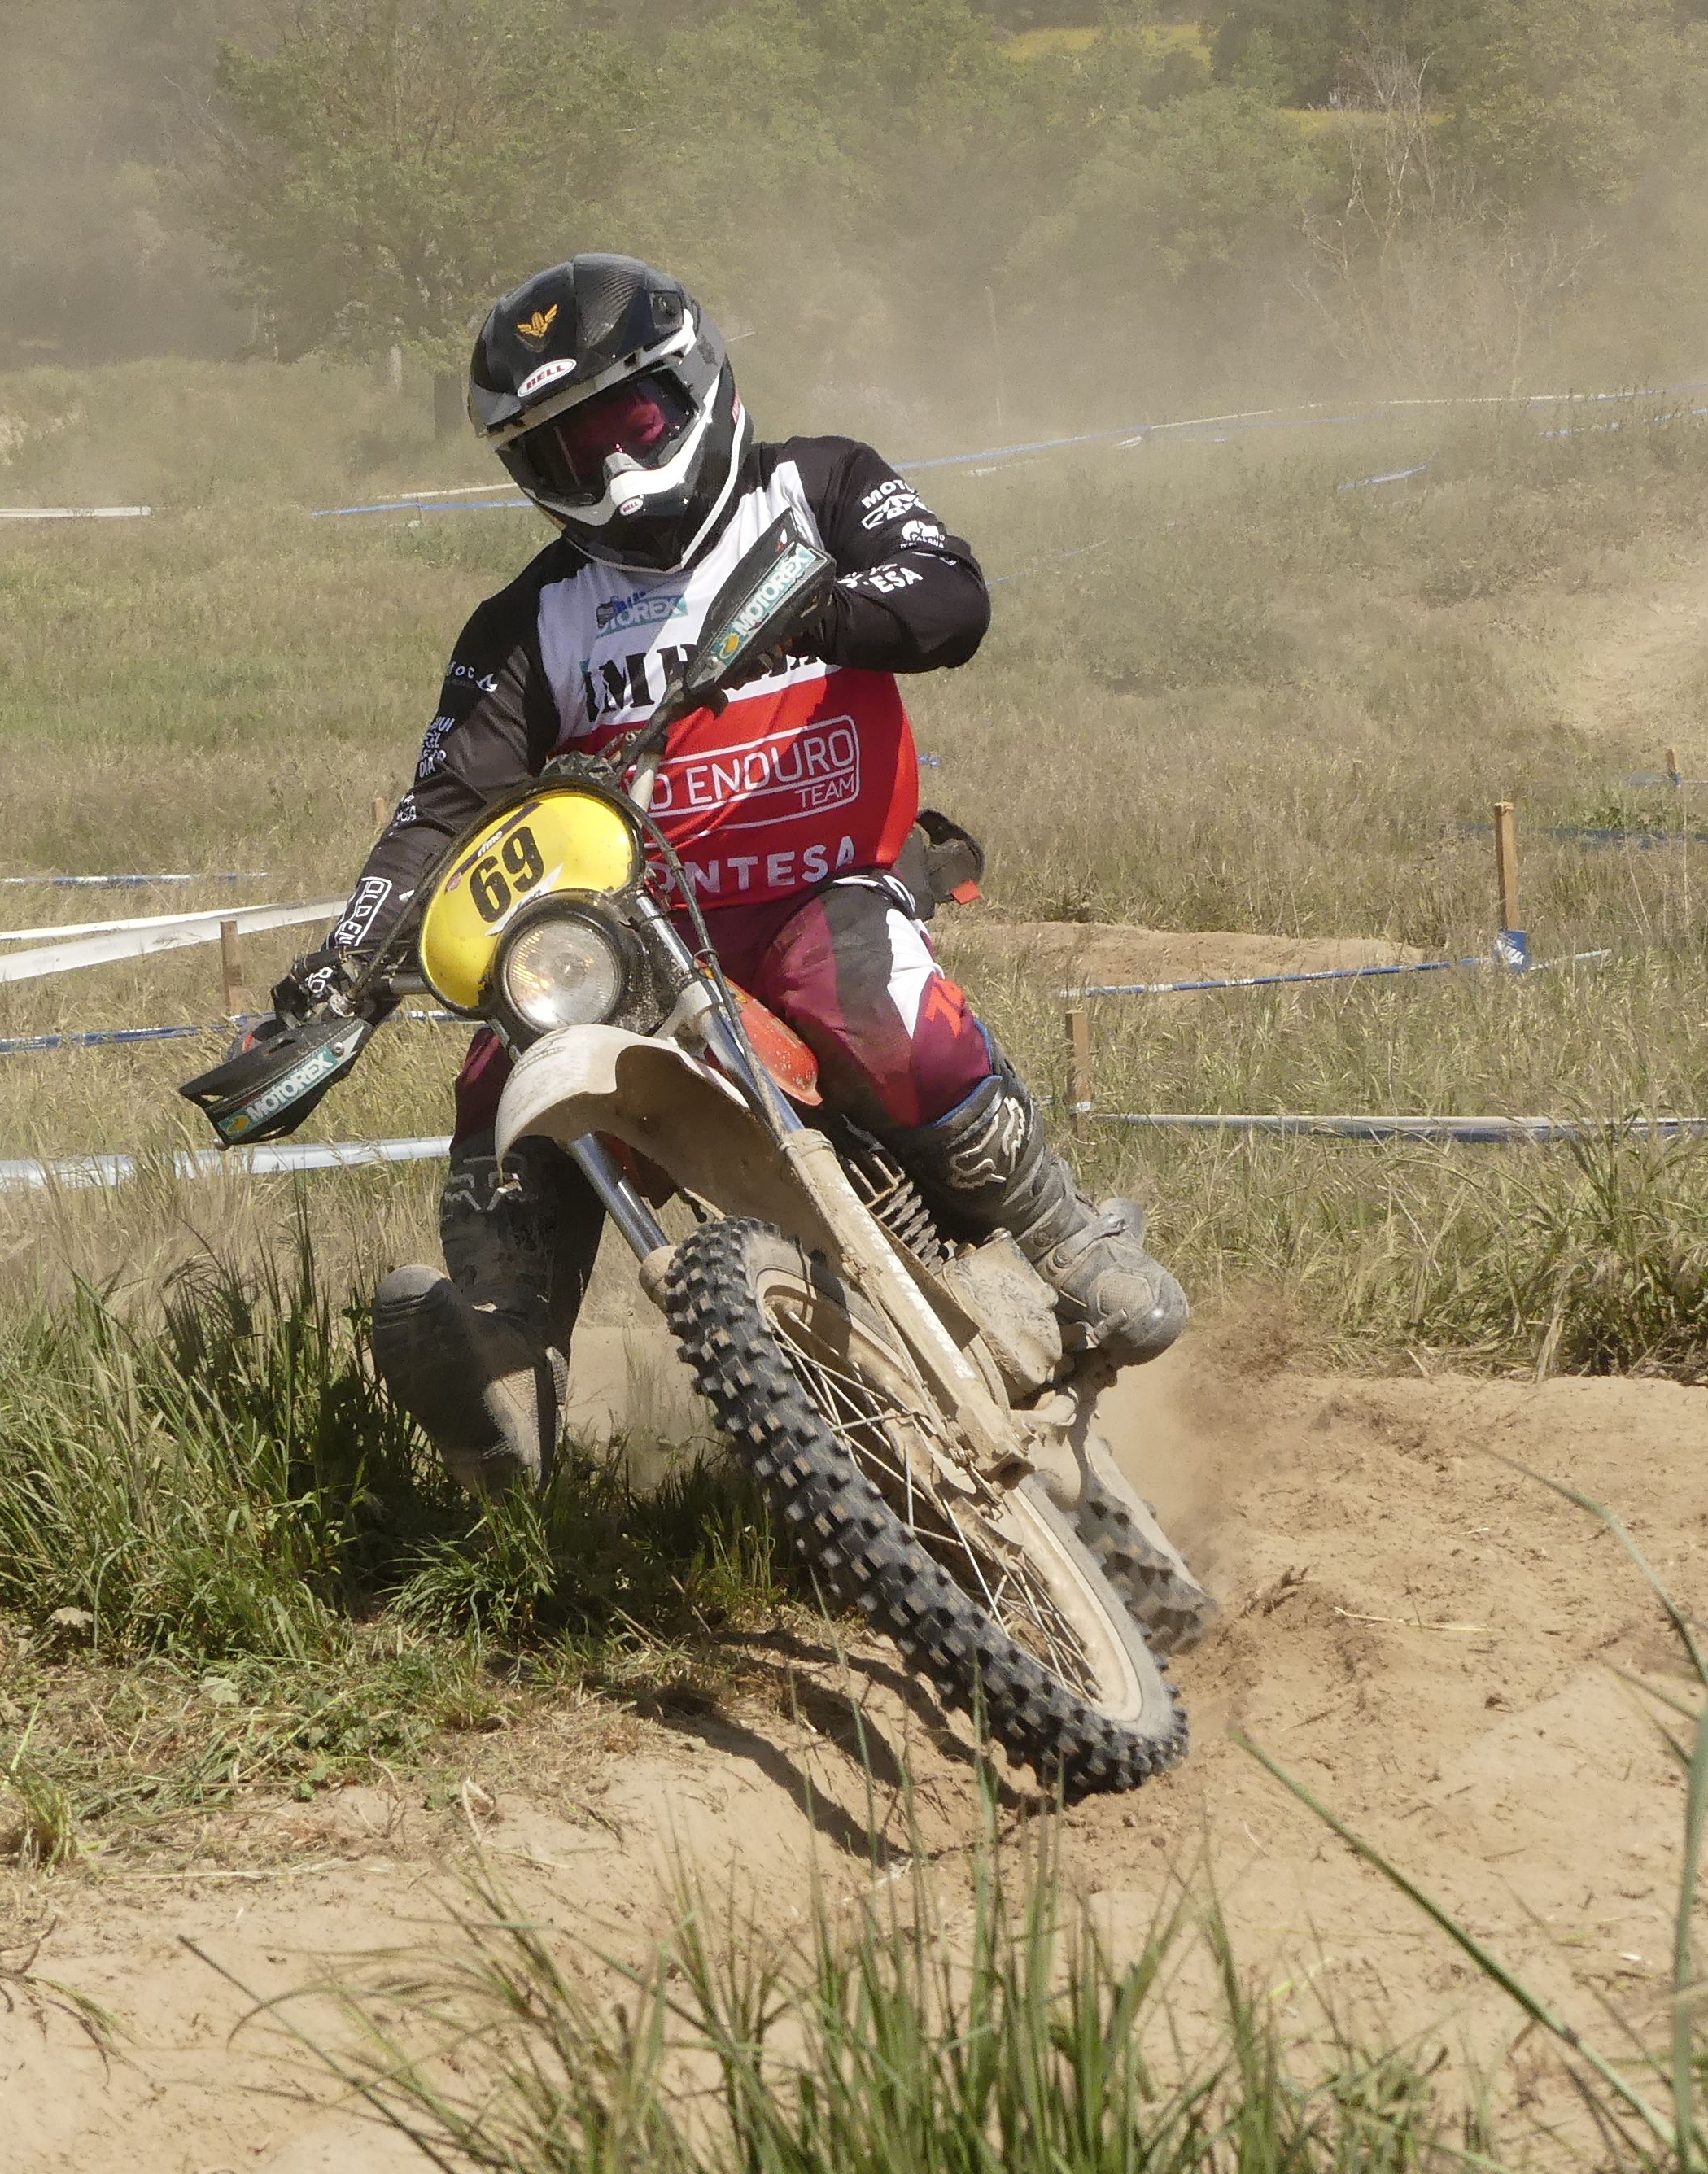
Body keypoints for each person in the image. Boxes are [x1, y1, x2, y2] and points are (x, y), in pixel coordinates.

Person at [274, 252, 1187, 1492]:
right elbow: (440, 808)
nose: (606, 471)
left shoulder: (821, 488)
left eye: (628, 424)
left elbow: (951, 600)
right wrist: (338, 974)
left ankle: (1064, 1239)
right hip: (644, 937)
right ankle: (502, 1364)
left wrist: (804, 614)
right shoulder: (527, 624)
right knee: (505, 1062)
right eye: (562, 454)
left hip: (825, 885)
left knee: (869, 992)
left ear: (691, 380)